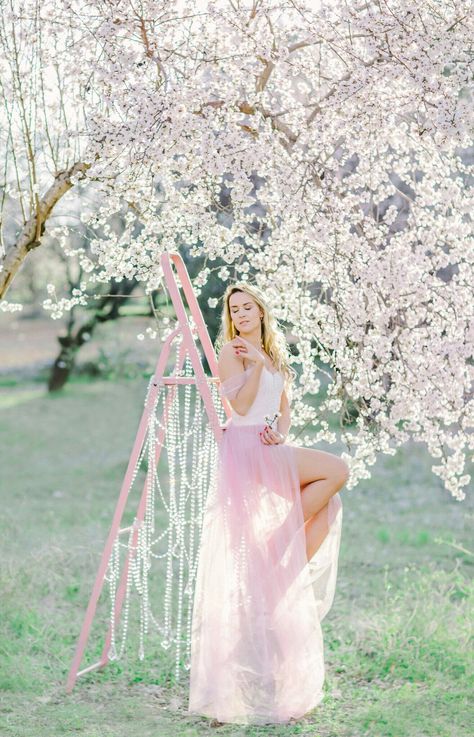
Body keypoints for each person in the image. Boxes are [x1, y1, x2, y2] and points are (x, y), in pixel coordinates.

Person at [187, 282, 348, 726]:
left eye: (246, 307)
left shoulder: (273, 350)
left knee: (330, 508)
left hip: (267, 443)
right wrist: (254, 366)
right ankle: (274, 553)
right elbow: (237, 404)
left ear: (260, 309)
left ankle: (275, 576)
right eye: (233, 309)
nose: (240, 314)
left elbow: (283, 407)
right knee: (337, 470)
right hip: (245, 449)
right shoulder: (232, 351)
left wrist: (279, 426)